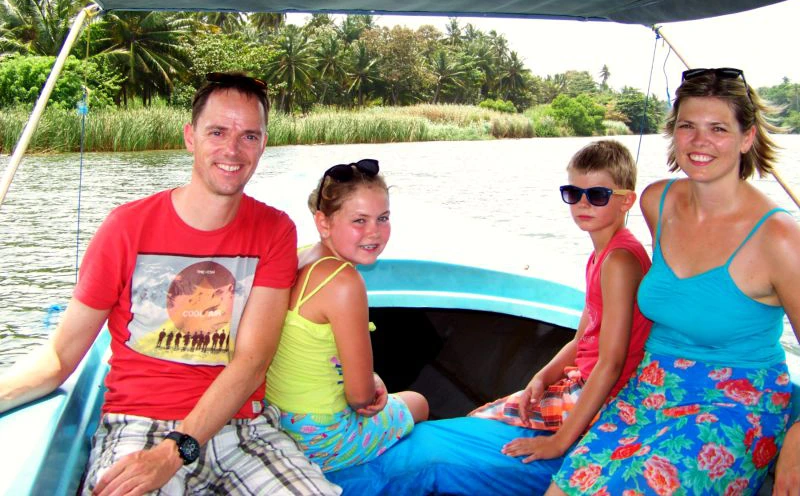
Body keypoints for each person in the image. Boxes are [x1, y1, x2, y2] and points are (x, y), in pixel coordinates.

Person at [0, 72, 339, 495]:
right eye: (217, 131)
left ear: (263, 144)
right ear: (189, 138)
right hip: (139, 427)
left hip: (242, 426)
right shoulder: (127, 228)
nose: (232, 149)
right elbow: (59, 354)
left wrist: (177, 449)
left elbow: (252, 360)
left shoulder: (273, 230)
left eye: (249, 136)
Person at [326, 140, 652, 495]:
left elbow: (611, 362)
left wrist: (558, 443)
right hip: (581, 380)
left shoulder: (619, 262)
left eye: (598, 194)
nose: (583, 204)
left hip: (604, 394)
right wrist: (542, 378)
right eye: (574, 193)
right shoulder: (602, 255)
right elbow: (582, 338)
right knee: (487, 414)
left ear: (626, 200)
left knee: (443, 447)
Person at [550, 68, 800, 495]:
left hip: (736, 401)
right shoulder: (656, 202)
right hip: (651, 387)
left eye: (718, 128)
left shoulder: (780, 239)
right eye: (688, 126)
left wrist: (796, 442)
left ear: (746, 138)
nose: (700, 142)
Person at [264, 158, 429, 474]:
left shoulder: (299, 256)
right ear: (323, 223)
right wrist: (374, 385)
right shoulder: (345, 283)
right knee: (417, 401)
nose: (375, 232)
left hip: (278, 419)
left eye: (383, 218)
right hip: (319, 438)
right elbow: (359, 397)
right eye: (360, 221)